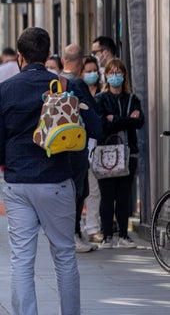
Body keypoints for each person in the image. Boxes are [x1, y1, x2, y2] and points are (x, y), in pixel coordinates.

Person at [0, 27, 102, 315]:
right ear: (48, 55)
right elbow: (97, 128)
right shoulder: (64, 84)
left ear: (20, 57)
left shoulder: (5, 90)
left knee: (21, 260)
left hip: (17, 184)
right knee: (64, 255)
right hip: (56, 181)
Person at [95, 58, 144, 249]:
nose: (115, 76)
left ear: (124, 75)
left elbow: (139, 121)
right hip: (106, 153)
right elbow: (102, 125)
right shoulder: (100, 98)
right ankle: (107, 235)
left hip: (128, 153)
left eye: (118, 72)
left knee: (124, 195)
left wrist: (115, 119)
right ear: (106, 76)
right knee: (107, 195)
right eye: (111, 72)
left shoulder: (133, 99)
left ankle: (123, 235)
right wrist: (124, 120)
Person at [60, 44, 100, 253]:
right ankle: (74, 233)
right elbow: (92, 116)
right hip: (77, 147)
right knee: (78, 191)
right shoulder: (77, 84)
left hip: (59, 147)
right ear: (82, 63)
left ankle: (71, 233)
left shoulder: (56, 81)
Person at [81, 55, 103, 243]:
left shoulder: (103, 92)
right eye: (87, 71)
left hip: (100, 147)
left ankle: (93, 227)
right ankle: (79, 227)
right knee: (82, 190)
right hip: (83, 146)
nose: (91, 74)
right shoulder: (78, 91)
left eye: (93, 70)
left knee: (94, 189)